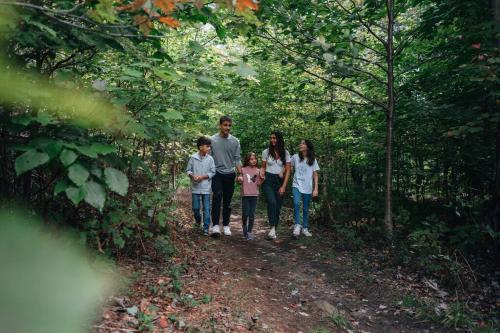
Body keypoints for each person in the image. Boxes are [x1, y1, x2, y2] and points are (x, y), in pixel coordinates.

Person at [210, 116, 242, 237]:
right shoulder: (212, 140)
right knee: (217, 196)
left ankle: (227, 225)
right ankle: (216, 226)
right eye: (225, 125)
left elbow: (237, 159)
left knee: (227, 201)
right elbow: (208, 158)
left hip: (230, 174)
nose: (227, 127)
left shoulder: (235, 141)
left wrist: (240, 174)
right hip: (217, 173)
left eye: (229, 125)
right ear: (220, 125)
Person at [260, 131, 291, 240]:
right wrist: (261, 174)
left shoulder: (286, 153)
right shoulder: (266, 152)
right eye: (271, 138)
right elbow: (263, 167)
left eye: (275, 138)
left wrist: (284, 186)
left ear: (279, 139)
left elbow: (288, 171)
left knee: (277, 206)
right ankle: (272, 228)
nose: (272, 140)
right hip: (268, 180)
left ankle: (274, 229)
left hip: (280, 181)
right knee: (272, 202)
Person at [186, 136, 216, 235]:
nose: (209, 148)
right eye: (207, 146)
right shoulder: (193, 158)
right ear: (200, 147)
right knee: (195, 208)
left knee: (206, 209)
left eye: (209, 146)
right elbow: (188, 170)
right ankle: (198, 222)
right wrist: (192, 176)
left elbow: (213, 172)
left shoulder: (210, 158)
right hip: (195, 188)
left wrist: (203, 177)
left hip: (206, 188)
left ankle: (206, 228)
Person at [291, 140, 320, 238]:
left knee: (306, 209)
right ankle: (298, 225)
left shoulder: (313, 159)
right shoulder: (295, 157)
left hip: (308, 187)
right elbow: (288, 167)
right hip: (296, 185)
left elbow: (315, 175)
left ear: (307, 147)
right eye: (301, 143)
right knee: (296, 203)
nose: (300, 144)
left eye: (303, 143)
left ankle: (305, 228)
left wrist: (316, 189)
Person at [238, 152, 262, 240]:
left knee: (252, 215)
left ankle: (249, 232)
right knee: (245, 214)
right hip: (246, 195)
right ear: (248, 161)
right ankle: (244, 226)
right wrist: (239, 179)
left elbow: (259, 184)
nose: (254, 160)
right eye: (251, 159)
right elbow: (239, 180)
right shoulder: (243, 170)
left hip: (254, 195)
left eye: (255, 159)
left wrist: (262, 179)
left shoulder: (258, 171)